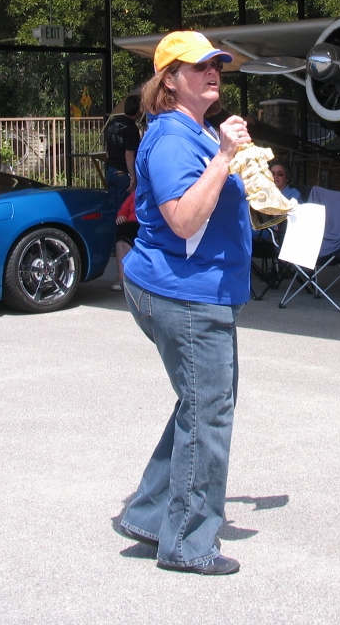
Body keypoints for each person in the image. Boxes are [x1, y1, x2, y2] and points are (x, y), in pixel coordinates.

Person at [118, 31, 252, 575]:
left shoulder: (191, 131)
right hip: (187, 295)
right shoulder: (175, 137)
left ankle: (150, 515)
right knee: (208, 413)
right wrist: (225, 157)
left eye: (216, 64)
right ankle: (188, 543)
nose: (212, 72)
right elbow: (182, 218)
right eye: (199, 66)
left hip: (192, 290)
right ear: (169, 80)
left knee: (197, 405)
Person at [104, 93, 142, 208]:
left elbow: (107, 146)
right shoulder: (131, 128)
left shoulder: (113, 122)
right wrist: (133, 176)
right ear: (138, 110)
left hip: (110, 171)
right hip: (122, 173)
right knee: (124, 208)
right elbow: (129, 154)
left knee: (113, 208)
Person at [110, 192, 137, 292]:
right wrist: (121, 215)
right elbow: (124, 208)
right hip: (131, 223)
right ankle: (122, 277)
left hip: (147, 223)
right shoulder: (136, 193)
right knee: (122, 235)